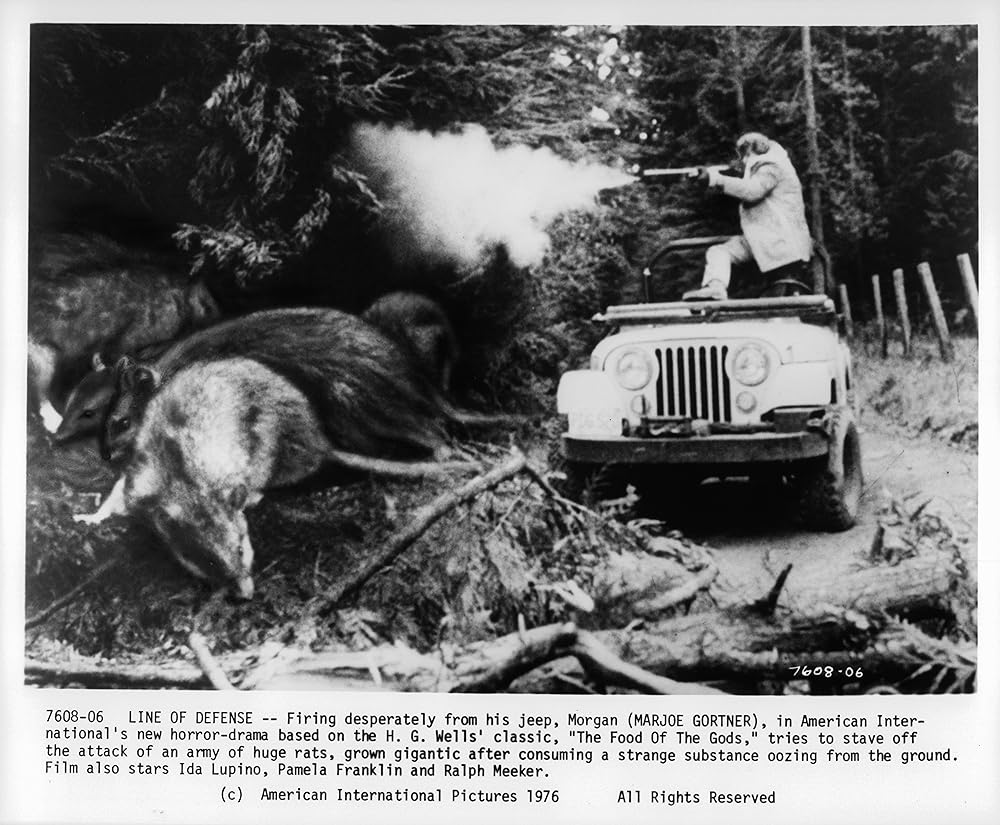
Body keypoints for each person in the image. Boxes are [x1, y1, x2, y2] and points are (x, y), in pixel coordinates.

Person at [683, 132, 812, 301]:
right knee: (719, 252)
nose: (742, 161)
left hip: (782, 243)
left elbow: (752, 191)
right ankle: (715, 288)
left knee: (782, 304)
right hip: (763, 238)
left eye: (743, 155)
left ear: (751, 151)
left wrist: (715, 179)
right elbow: (740, 178)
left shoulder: (772, 166)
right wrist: (711, 174)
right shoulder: (764, 166)